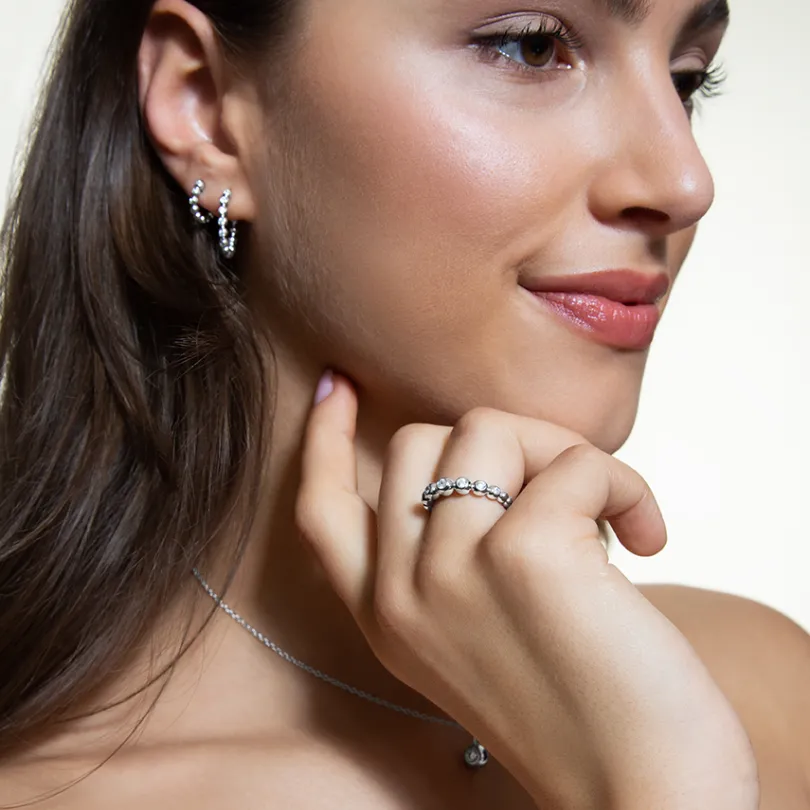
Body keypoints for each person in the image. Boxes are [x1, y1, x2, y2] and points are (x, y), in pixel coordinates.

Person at [0, 0, 808, 806]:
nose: (684, 182)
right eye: (531, 48)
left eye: (687, 79)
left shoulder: (759, 695)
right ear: (206, 105)